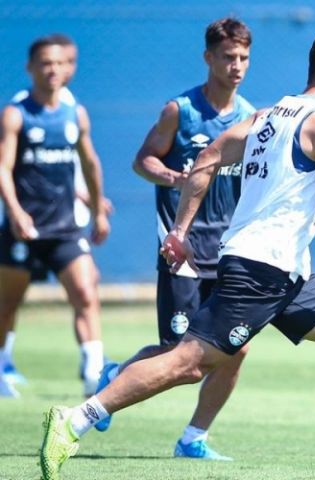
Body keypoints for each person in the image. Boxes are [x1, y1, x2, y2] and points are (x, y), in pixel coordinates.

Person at [40, 23, 315, 480]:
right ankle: (74, 419)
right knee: (188, 362)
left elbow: (206, 159)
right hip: (261, 269)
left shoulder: (267, 115)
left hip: (287, 273)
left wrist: (180, 231)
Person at [87, 17, 256, 461]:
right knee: (176, 351)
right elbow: (142, 160)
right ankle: (115, 377)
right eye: (227, 57)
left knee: (236, 349)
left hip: (229, 253)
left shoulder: (249, 118)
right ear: (208, 58)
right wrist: (172, 176)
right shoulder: (179, 111)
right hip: (182, 249)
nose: (236, 66)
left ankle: (193, 438)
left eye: (243, 57)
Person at [0, 35, 111, 399]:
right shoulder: (17, 113)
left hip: (66, 228)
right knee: (7, 304)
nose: (53, 69)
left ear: (68, 68)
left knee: (85, 292)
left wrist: (97, 211)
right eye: (45, 63)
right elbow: (4, 166)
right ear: (31, 68)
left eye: (60, 63)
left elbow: (89, 163)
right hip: (26, 230)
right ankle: (2, 364)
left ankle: (94, 372)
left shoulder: (74, 113)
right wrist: (15, 213)